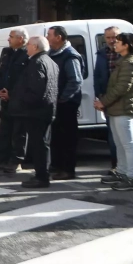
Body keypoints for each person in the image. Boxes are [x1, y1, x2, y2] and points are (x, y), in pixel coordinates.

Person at [95, 33, 133, 192]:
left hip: (124, 108)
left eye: (118, 42)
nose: (114, 44)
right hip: (117, 108)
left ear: (127, 45)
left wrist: (103, 102)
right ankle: (122, 172)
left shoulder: (130, 63)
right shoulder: (124, 61)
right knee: (120, 144)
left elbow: (121, 88)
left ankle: (131, 177)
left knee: (128, 144)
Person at [10, 36, 59, 188]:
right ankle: (42, 174)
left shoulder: (37, 63)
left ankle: (41, 177)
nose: (26, 48)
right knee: (43, 144)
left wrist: (22, 101)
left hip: (36, 111)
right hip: (47, 109)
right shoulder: (50, 62)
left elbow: (36, 90)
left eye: (29, 45)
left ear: (35, 47)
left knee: (39, 145)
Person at [47, 26, 84, 180]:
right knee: (56, 137)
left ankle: (68, 170)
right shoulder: (52, 54)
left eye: (49, 35)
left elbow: (75, 81)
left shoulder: (70, 55)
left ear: (59, 37)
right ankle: (57, 166)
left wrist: (62, 98)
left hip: (67, 104)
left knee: (67, 138)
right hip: (56, 103)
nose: (47, 38)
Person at [0, 28, 30, 173]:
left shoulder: (27, 55)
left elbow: (25, 80)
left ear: (20, 39)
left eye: (11, 36)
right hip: (5, 100)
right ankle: (1, 159)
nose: (8, 39)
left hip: (19, 101)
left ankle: (16, 161)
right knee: (5, 131)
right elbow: (1, 74)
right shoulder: (8, 53)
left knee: (19, 133)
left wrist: (12, 94)